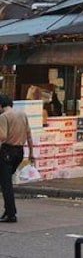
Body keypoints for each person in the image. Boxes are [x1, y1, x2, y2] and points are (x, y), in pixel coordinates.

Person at [0, 94, 34, 223]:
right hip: (19, 152)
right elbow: (29, 136)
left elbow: (2, 137)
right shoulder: (22, 114)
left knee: (6, 184)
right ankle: (8, 211)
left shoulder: (3, 117)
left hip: (6, 152)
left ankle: (11, 214)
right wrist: (31, 153)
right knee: (5, 182)